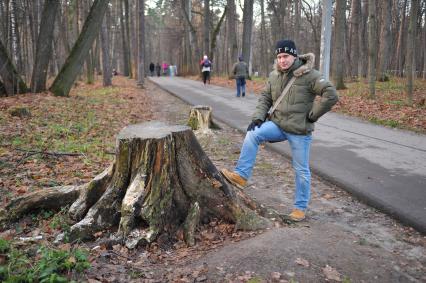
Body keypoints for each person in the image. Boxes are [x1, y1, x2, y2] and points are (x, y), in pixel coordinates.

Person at [221, 39, 338, 222]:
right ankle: (241, 176)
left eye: (286, 56)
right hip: (277, 124)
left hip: (299, 130)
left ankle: (299, 209)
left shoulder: (310, 75)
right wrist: (258, 117)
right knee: (253, 134)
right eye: (280, 56)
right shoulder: (274, 75)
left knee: (301, 170)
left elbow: (331, 94)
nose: (283, 60)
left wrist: (313, 115)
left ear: (294, 55)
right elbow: (265, 97)